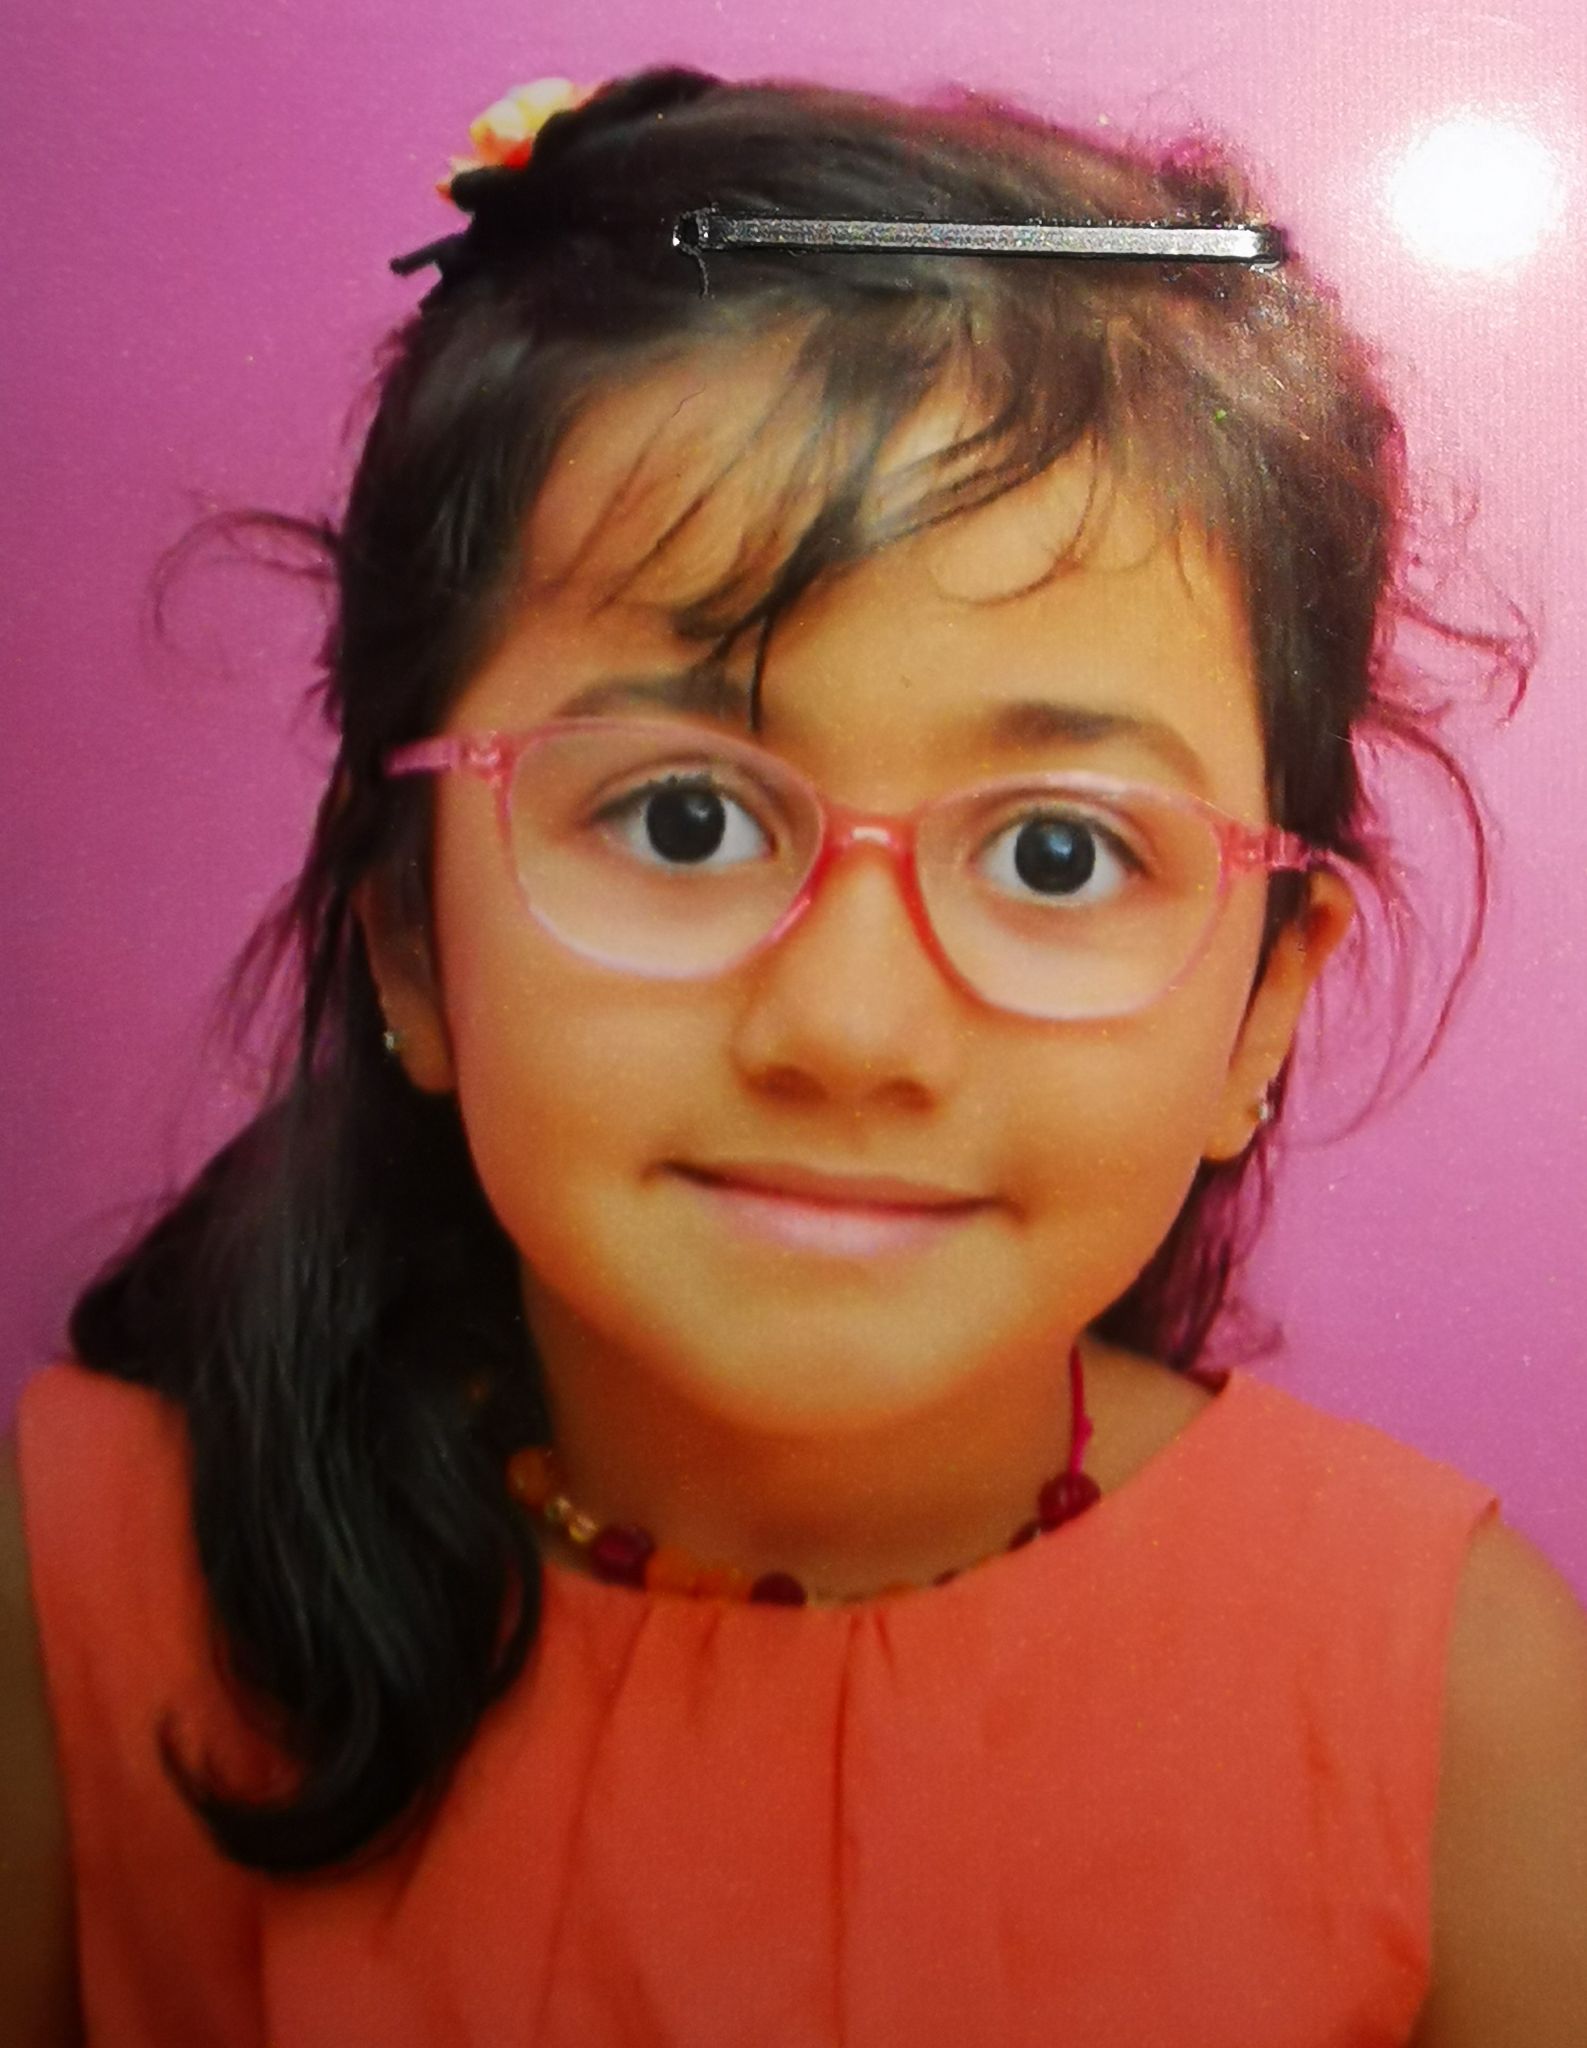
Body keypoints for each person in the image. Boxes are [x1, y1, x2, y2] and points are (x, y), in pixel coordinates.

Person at [2, 64, 1584, 2048]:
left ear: (1261, 1003)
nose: (846, 1030)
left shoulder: (1452, 1702)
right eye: (680, 819)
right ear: (410, 929)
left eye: (1057, 852)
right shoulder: (74, 1591)